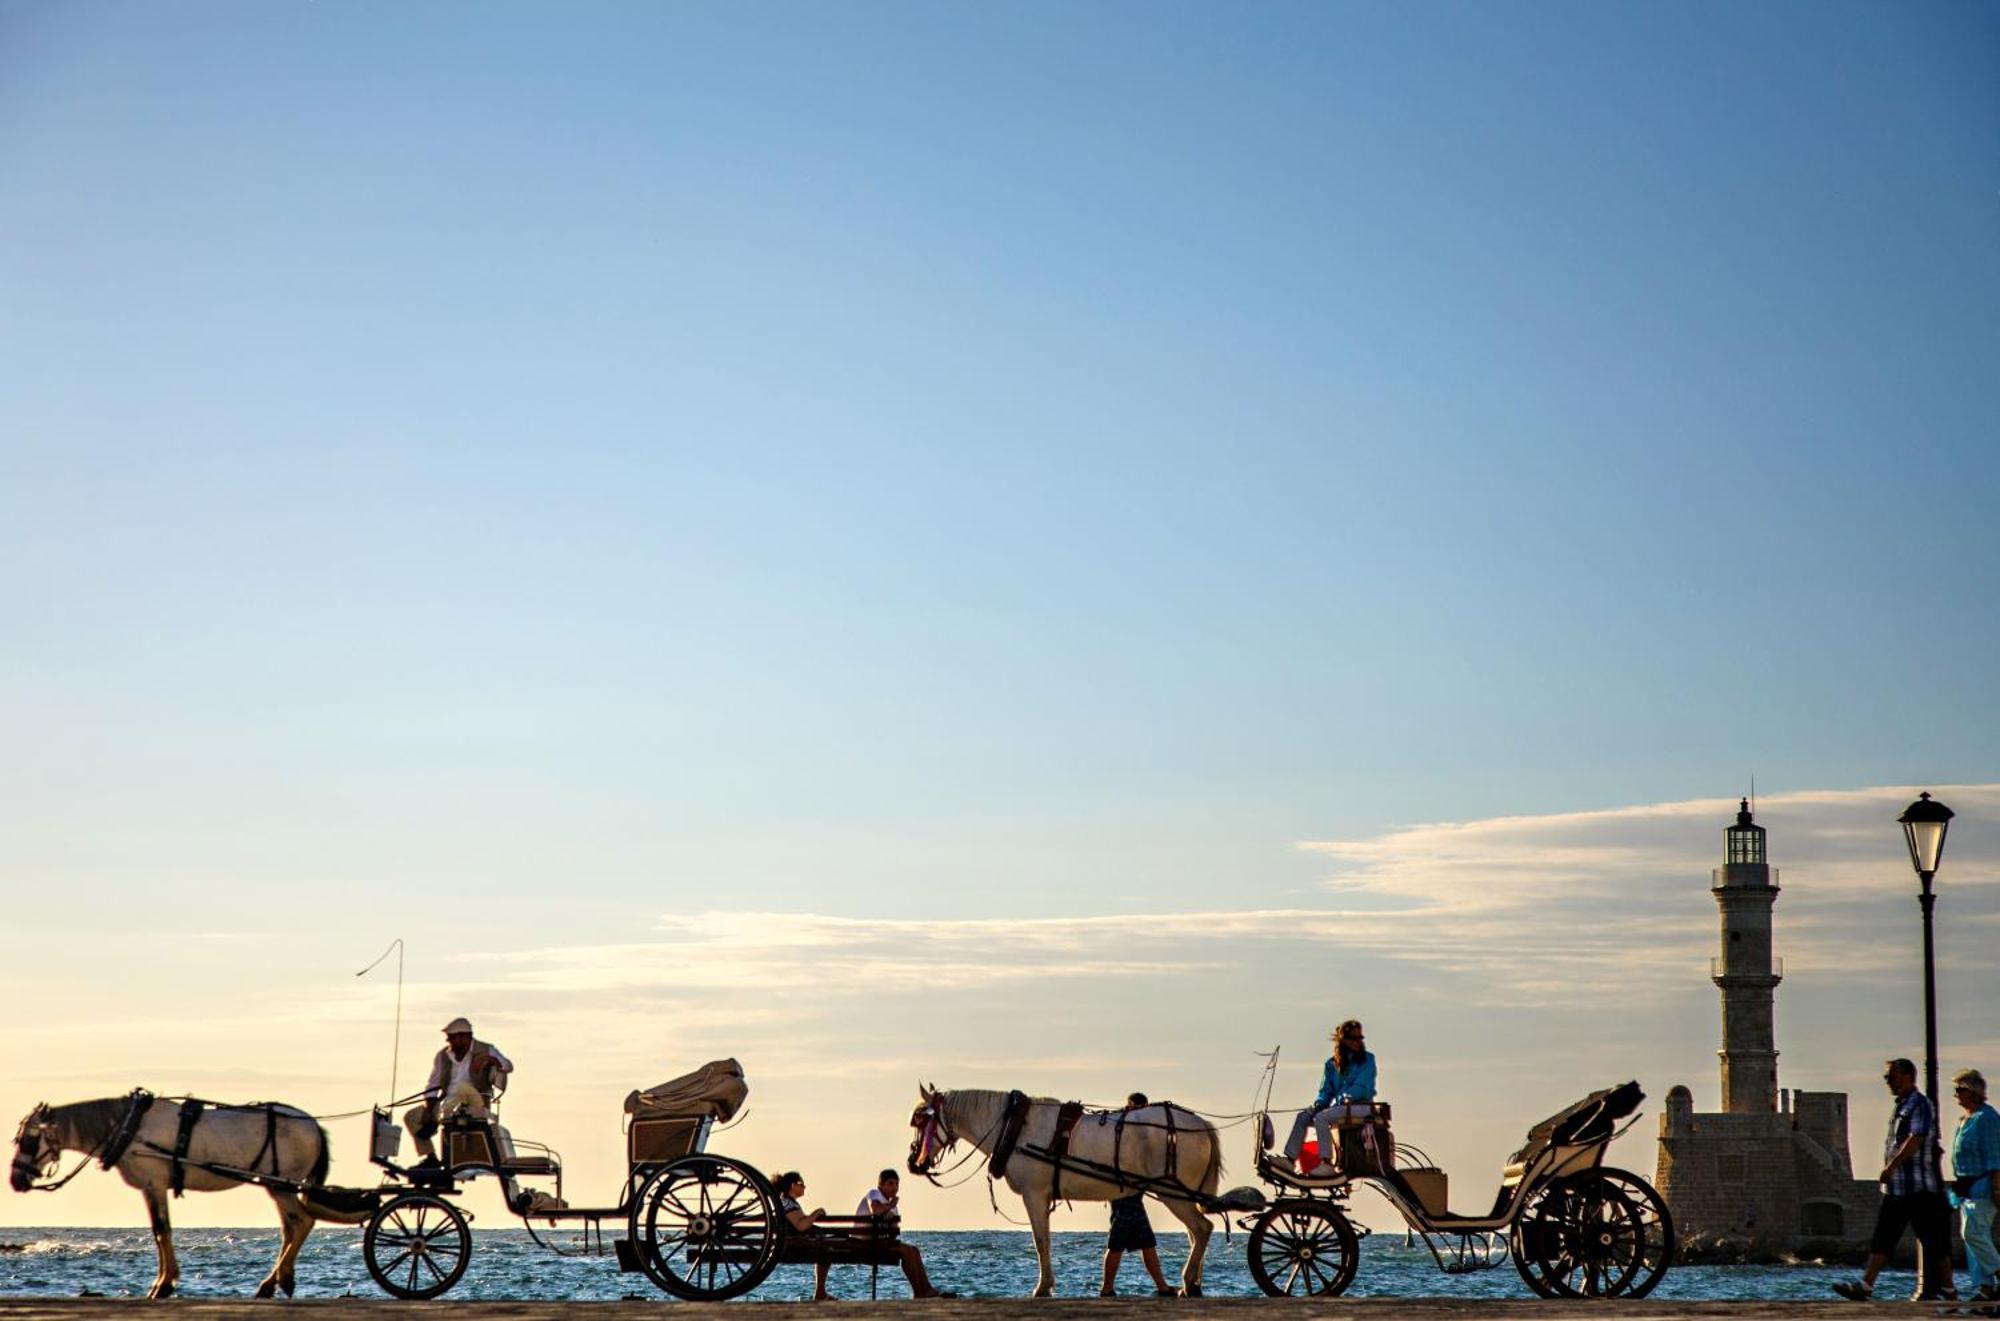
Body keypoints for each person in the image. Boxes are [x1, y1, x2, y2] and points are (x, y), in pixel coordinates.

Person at [1833, 1058, 1956, 1302]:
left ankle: (1950, 1290)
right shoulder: (1901, 1105)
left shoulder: (1919, 1104)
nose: (1888, 1081)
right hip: (1898, 1188)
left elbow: (1916, 1138)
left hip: (1919, 1187)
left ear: (1909, 1076)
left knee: (1934, 1241)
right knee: (1884, 1237)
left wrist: (1892, 1166)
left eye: (1892, 1076)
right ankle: (1866, 1285)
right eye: (1887, 1077)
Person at [403, 1017, 514, 1163]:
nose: (449, 1041)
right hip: (448, 1102)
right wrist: (429, 1109)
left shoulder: (485, 1049)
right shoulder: (442, 1055)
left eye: (452, 1038)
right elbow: (433, 1084)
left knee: (462, 1088)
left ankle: (440, 1118)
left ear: (465, 1037)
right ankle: (430, 1157)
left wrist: (490, 1059)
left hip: (476, 1100)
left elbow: (508, 1066)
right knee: (411, 1117)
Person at [1282, 1020, 1382, 1177]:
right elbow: (1326, 1090)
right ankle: (1289, 1160)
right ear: (1343, 1040)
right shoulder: (1331, 1064)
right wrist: (1319, 1104)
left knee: (1321, 1118)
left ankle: (1326, 1163)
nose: (1357, 1042)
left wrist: (1335, 1103)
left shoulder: (1367, 1060)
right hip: (1340, 1107)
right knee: (1303, 1117)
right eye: (1353, 1038)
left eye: (1359, 1038)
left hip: (1360, 1106)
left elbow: (1361, 1088)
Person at [1101, 1093, 1173, 1297]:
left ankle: (1162, 1287)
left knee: (1146, 1243)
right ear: (1130, 1107)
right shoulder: (1124, 1128)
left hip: (1133, 1194)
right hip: (1124, 1193)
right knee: (1117, 1244)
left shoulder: (1135, 1128)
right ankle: (1107, 1289)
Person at [855, 1168, 949, 1298]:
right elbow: (875, 1210)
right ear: (881, 1185)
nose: (894, 1187)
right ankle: (919, 1292)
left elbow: (893, 1230)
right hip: (864, 1242)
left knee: (914, 1250)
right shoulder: (874, 1193)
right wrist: (890, 1206)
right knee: (907, 1251)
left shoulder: (889, 1203)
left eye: (896, 1184)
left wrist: (890, 1218)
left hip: (877, 1240)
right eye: (890, 1184)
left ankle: (926, 1289)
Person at [1949, 1069, 2000, 1302]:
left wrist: (1997, 1187)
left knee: (1973, 1233)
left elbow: (1995, 1156)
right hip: (1965, 1186)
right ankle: (1984, 1287)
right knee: (1972, 1239)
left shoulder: (1986, 1118)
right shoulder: (1965, 1121)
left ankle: (1996, 1274)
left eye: (1959, 1090)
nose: (1956, 1094)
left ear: (1973, 1092)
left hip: (1982, 1185)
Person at [776, 1171, 834, 1301]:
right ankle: (820, 1293)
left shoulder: (788, 1202)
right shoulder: (787, 1203)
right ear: (792, 1186)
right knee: (827, 1251)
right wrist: (816, 1213)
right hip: (792, 1247)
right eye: (801, 1184)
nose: (804, 1187)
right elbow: (800, 1226)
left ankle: (820, 1292)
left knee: (827, 1248)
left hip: (794, 1243)